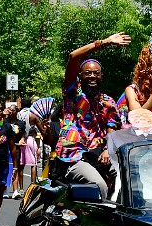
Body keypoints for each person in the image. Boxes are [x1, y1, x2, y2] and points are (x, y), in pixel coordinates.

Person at [52, 33, 132, 199]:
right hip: (74, 157)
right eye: (88, 73)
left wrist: (106, 150)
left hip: (99, 155)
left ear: (102, 76)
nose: (92, 76)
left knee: (130, 180)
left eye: (96, 73)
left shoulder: (108, 102)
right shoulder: (72, 94)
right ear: (80, 77)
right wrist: (104, 43)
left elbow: (112, 129)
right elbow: (73, 56)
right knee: (98, 186)